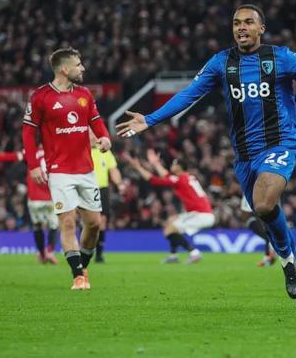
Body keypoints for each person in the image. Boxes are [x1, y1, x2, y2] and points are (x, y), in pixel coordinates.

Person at [116, 4, 296, 310]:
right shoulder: (221, 62)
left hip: (280, 144)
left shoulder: (281, 57)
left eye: (248, 22)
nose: (241, 27)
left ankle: (289, 265)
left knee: (265, 204)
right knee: (265, 213)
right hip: (244, 156)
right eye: (236, 23)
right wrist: (150, 119)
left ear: (261, 29)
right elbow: (190, 93)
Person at [22, 47, 111, 290]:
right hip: (59, 171)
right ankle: (78, 276)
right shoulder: (40, 97)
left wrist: (104, 137)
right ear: (64, 69)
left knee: (94, 224)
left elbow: (95, 120)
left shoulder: (84, 94)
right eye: (78, 64)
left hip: (86, 170)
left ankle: (82, 265)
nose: (83, 68)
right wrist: (33, 165)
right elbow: (28, 133)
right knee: (68, 222)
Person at [122, 149, 214, 263]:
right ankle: (173, 255)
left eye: (174, 164)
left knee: (170, 231)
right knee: (171, 222)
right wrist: (156, 164)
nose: (172, 165)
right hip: (202, 213)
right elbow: (167, 176)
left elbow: (153, 180)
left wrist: (138, 167)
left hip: (200, 215)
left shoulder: (180, 179)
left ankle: (194, 253)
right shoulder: (186, 177)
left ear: (179, 167)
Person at [0, 148, 58, 265]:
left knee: (37, 226)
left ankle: (42, 254)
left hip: (35, 198)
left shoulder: (31, 152)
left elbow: (11, 156)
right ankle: (49, 251)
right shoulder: (53, 149)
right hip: (52, 197)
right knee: (54, 225)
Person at [89, 130, 125, 263]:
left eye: (94, 134)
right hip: (86, 189)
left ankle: (99, 254)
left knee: (102, 221)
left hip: (102, 189)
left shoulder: (105, 151)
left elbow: (113, 169)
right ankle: (85, 249)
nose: (92, 137)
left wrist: (120, 184)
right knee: (88, 222)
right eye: (89, 134)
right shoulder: (82, 151)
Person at [240, 196, 277, 267]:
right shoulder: (249, 195)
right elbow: (247, 211)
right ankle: (270, 257)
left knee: (268, 237)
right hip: (253, 220)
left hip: (254, 219)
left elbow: (245, 211)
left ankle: (269, 257)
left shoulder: (249, 194)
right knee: (268, 236)